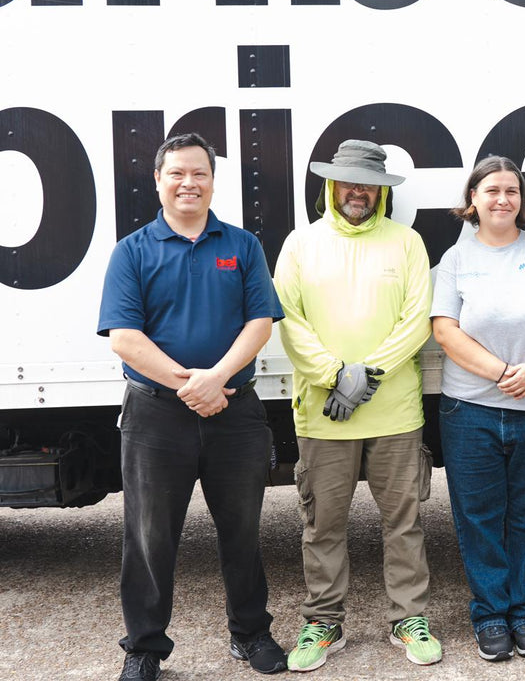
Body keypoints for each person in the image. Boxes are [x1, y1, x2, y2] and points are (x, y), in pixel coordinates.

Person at [97, 133, 287, 681]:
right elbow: (124, 338)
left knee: (243, 530)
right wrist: (192, 386)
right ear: (158, 181)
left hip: (236, 412)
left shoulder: (243, 245)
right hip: (155, 416)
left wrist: (218, 378)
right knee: (149, 536)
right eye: (177, 173)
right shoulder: (132, 250)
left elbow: (260, 322)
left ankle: (250, 634)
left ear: (212, 180)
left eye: (199, 173)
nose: (188, 183)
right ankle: (145, 648)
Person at [273, 140, 441, 670]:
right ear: (330, 186)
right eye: (348, 182)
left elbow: (416, 321)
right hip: (323, 414)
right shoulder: (301, 244)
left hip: (393, 411)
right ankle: (324, 623)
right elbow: (287, 320)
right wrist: (331, 375)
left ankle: (408, 620)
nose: (357, 191)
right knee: (323, 524)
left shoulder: (407, 243)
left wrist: (365, 376)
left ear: (381, 191)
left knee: (404, 522)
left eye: (367, 184)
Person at [430, 155, 525, 662]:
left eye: (512, 191)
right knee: (479, 516)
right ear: (472, 199)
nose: (502, 199)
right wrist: (501, 373)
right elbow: (445, 330)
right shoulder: (456, 259)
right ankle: (491, 614)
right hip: (470, 409)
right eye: (491, 190)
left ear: (522, 200)